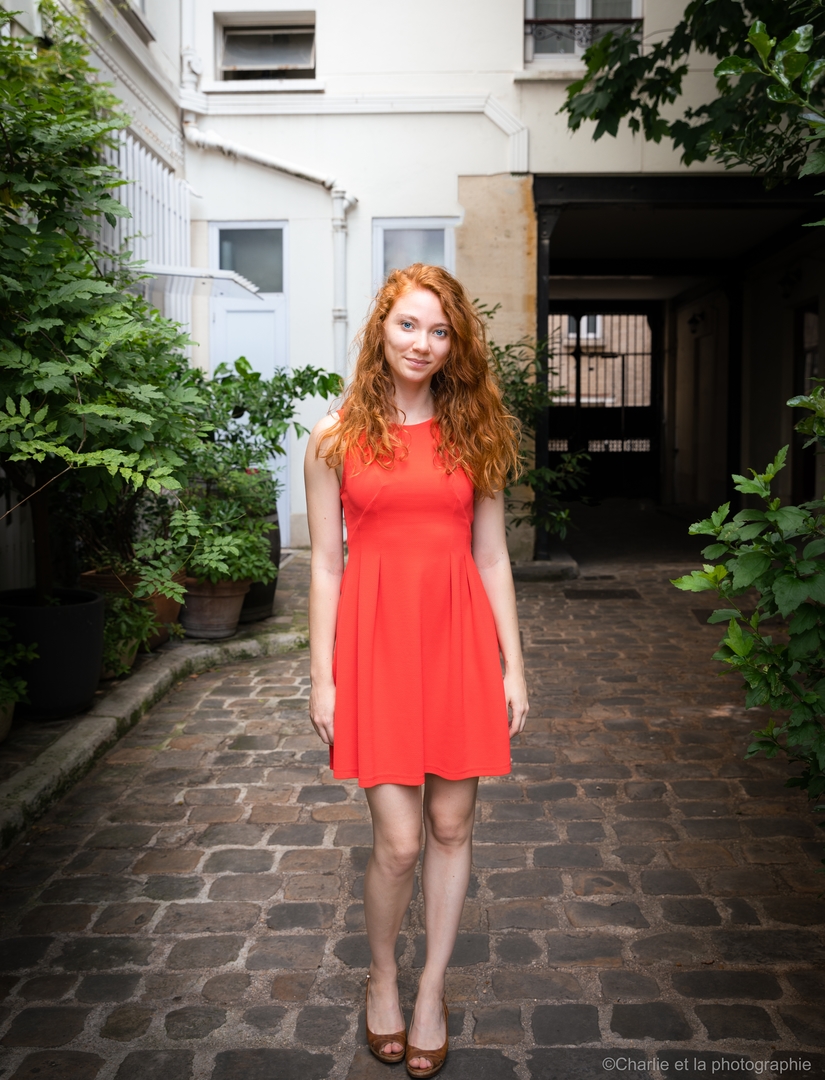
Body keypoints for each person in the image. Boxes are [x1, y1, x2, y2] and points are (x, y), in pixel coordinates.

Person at [304, 263, 529, 1078]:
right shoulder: (333, 437)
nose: (422, 343)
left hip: (457, 641)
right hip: (376, 649)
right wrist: (322, 677)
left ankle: (430, 988)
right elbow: (325, 564)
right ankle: (381, 977)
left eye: (439, 331)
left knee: (450, 827)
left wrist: (512, 668)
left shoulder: (478, 433)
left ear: (455, 343)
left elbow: (492, 556)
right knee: (398, 843)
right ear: (381, 328)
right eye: (408, 325)